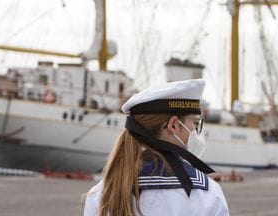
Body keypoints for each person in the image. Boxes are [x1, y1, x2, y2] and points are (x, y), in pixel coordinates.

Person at [83, 79, 229, 215]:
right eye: (195, 123)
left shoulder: (102, 193)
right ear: (173, 125)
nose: (196, 131)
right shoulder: (207, 194)